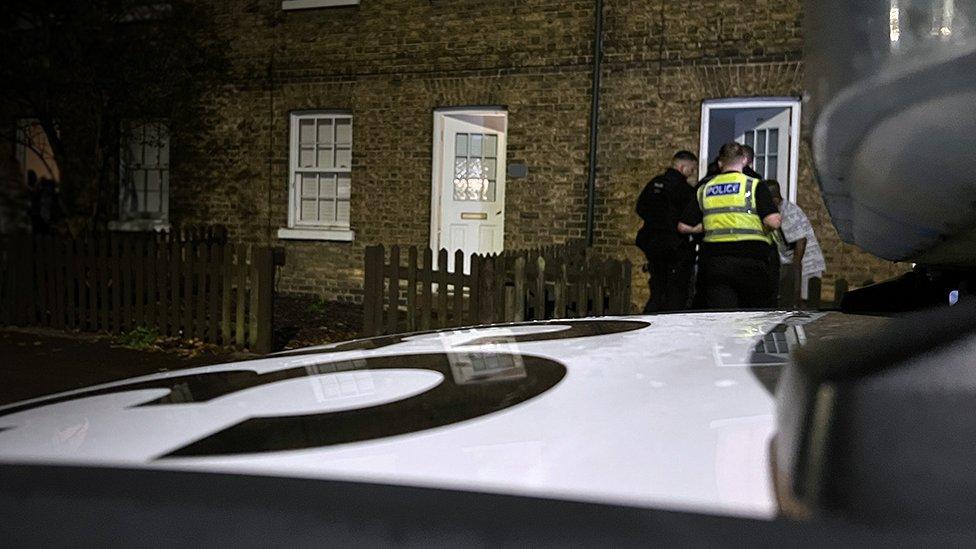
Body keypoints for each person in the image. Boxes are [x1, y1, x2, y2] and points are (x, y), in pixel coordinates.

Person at [678, 142, 782, 309]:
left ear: (720, 163)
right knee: (754, 316)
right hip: (751, 260)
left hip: (715, 262)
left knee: (722, 315)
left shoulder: (705, 189)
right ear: (744, 160)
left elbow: (683, 226)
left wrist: (706, 227)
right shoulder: (754, 185)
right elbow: (773, 221)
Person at [635, 150, 699, 312]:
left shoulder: (655, 183)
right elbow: (690, 218)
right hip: (675, 246)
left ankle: (652, 319)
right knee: (675, 291)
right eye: (692, 169)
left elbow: (640, 208)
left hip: (652, 243)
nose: (692, 173)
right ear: (683, 167)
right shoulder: (684, 190)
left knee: (658, 287)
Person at [765, 179, 826, 304]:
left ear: (775, 200)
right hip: (791, 267)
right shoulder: (776, 212)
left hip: (807, 268)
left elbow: (800, 245)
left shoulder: (789, 213)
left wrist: (795, 286)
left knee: (802, 308)